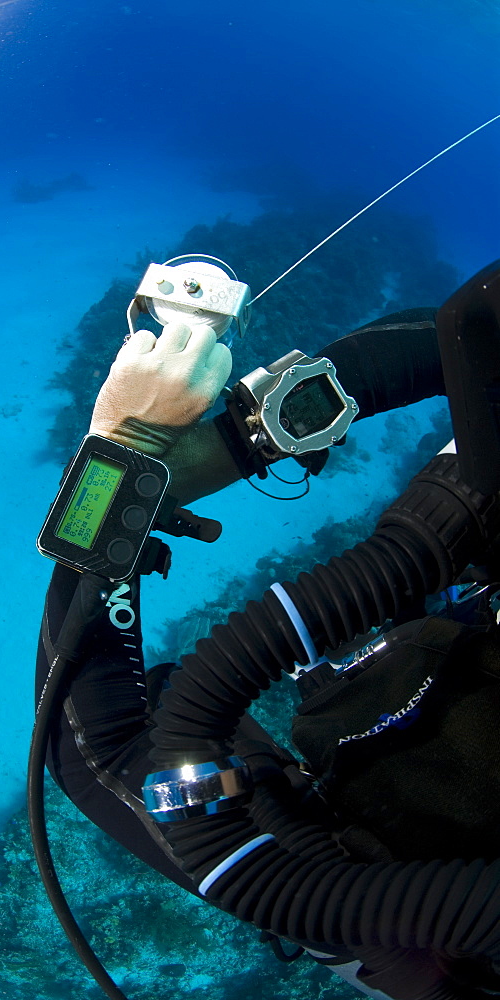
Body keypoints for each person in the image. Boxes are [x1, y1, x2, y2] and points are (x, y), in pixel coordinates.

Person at [35, 296, 500, 999]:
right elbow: (474, 332)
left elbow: (100, 749)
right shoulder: (395, 904)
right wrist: (218, 443)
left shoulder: (368, 907)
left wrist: (133, 462)